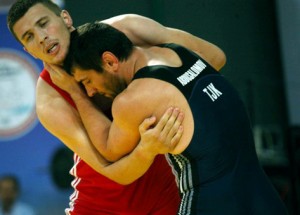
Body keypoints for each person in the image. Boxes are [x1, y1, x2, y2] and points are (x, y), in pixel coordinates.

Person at [47, 21, 289, 215]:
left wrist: (74, 92)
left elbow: (110, 151)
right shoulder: (180, 51)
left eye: (87, 81)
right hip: (262, 196)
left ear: (110, 61)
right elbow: (218, 55)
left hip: (209, 203)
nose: (91, 91)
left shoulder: (134, 99)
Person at [7, 1, 186, 214]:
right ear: (29, 51)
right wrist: (147, 149)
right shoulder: (49, 100)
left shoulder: (124, 31)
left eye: (43, 23)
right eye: (29, 36)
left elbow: (213, 58)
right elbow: (114, 170)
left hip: (161, 192)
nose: (41, 37)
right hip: (99, 206)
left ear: (65, 18)